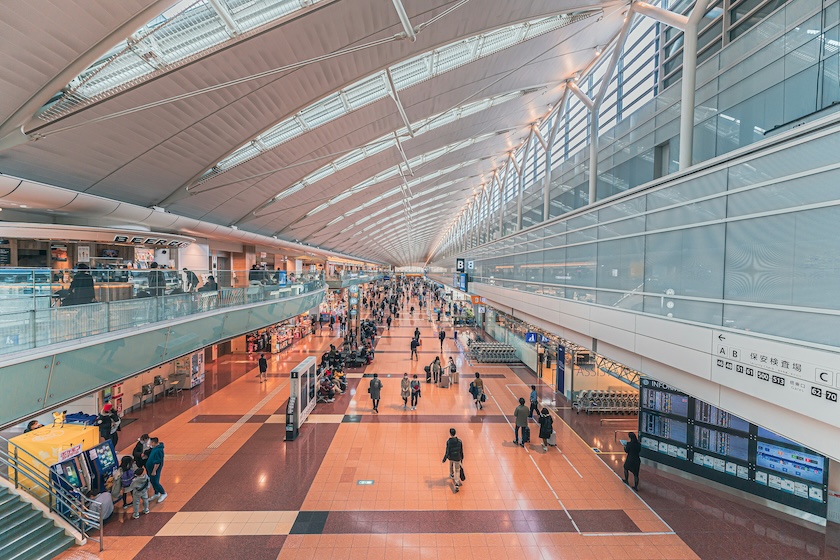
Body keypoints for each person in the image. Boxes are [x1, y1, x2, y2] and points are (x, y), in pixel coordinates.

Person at [442, 428, 464, 493]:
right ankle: (456, 483)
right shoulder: (459, 441)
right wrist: (461, 457)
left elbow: (447, 451)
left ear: (450, 433)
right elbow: (461, 451)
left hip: (451, 457)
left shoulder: (448, 442)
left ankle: (451, 474)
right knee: (457, 470)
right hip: (457, 457)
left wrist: (445, 458)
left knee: (451, 465)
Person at [145, 437, 167, 503]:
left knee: (155, 482)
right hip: (150, 468)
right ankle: (156, 493)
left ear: (154, 443)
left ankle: (163, 493)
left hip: (154, 470)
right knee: (152, 481)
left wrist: (154, 471)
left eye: (151, 442)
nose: (150, 444)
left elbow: (157, 462)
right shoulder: (155, 448)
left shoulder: (158, 450)